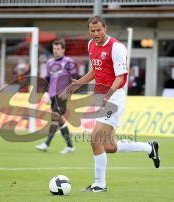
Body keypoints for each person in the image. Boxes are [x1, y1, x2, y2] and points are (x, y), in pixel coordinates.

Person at [60, 16, 160, 192]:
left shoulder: (116, 47)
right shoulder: (91, 45)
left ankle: (100, 184)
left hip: (114, 97)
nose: (96, 33)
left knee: (95, 138)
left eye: (99, 30)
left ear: (105, 28)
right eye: (93, 31)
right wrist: (75, 86)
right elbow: (94, 71)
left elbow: (120, 76)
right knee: (108, 146)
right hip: (102, 98)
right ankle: (149, 147)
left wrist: (108, 94)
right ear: (89, 31)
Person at [36, 39, 79, 154]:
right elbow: (47, 79)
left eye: (58, 49)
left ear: (63, 49)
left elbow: (76, 78)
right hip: (52, 95)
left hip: (63, 95)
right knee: (59, 120)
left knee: (55, 117)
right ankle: (70, 146)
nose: (55, 51)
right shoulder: (49, 62)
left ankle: (46, 144)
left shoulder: (69, 62)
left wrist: (69, 92)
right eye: (54, 49)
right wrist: (45, 92)